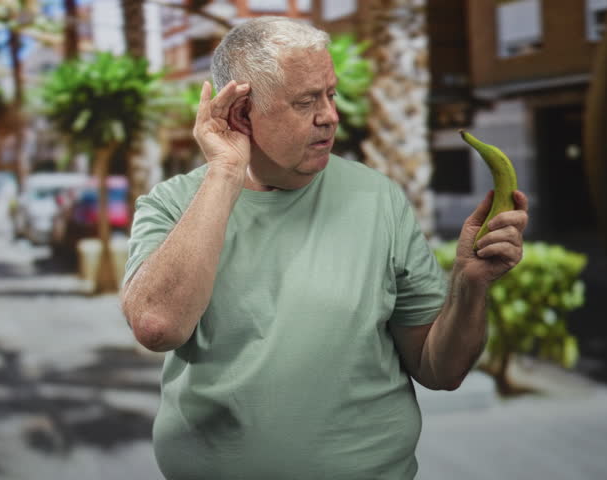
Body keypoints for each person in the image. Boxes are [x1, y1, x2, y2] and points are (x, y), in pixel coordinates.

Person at [120, 16, 528, 479]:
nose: (329, 115)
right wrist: (225, 172)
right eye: (305, 101)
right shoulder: (171, 204)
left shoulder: (380, 199)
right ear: (241, 113)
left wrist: (470, 285)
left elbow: (441, 369)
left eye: (330, 94)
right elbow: (158, 326)